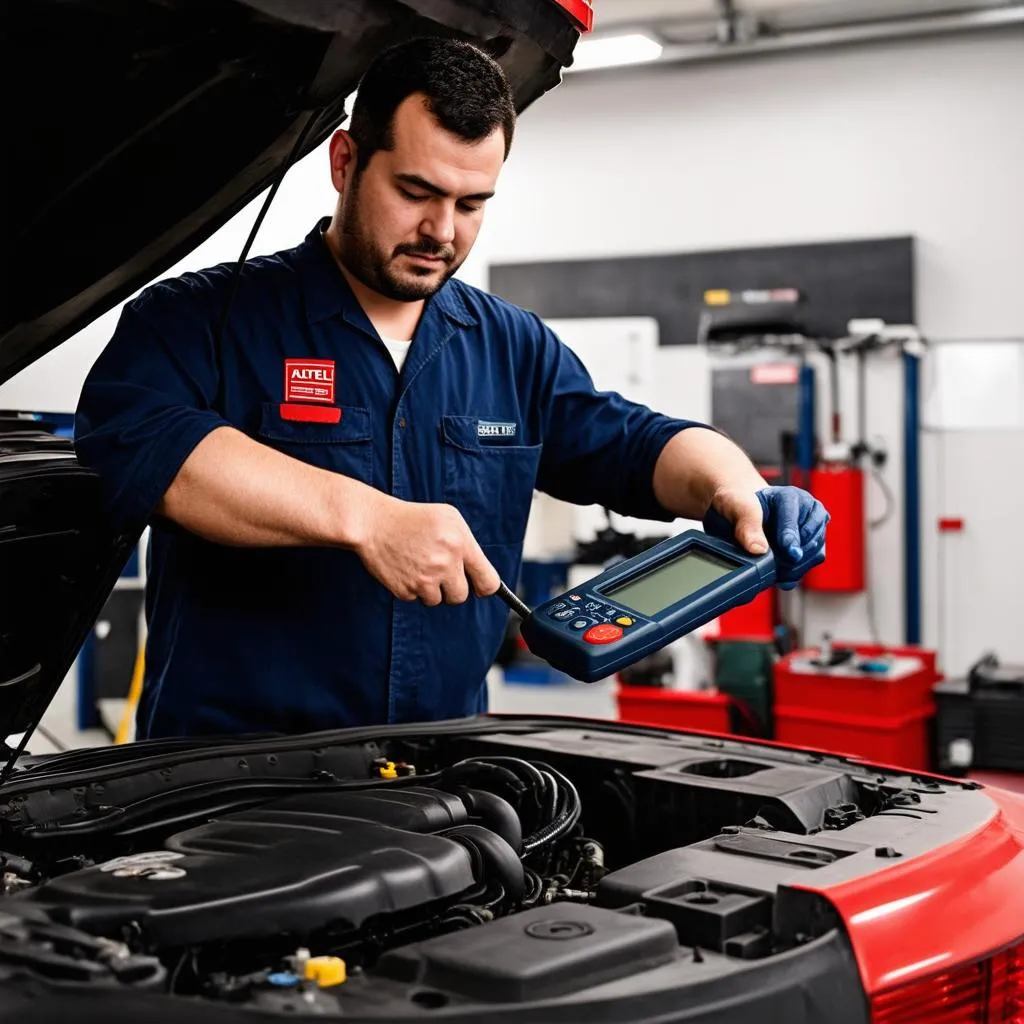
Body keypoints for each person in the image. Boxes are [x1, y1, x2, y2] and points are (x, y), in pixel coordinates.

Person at [75, 37, 828, 740]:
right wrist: (366, 520)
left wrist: (735, 486)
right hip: (227, 782)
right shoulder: (205, 320)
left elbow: (634, 444)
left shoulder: (512, 346)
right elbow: (141, 447)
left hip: (440, 777)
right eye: (416, 191)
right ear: (345, 163)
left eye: (472, 204)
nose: (442, 229)